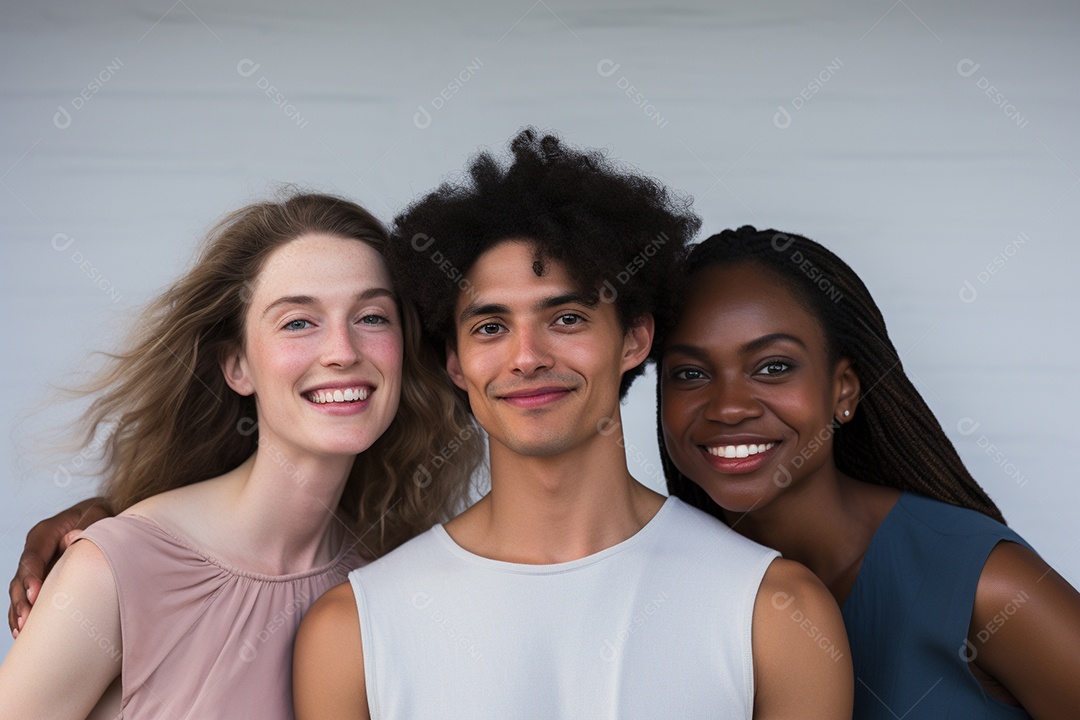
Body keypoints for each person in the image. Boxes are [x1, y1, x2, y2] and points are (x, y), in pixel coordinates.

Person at [293, 131, 853, 719]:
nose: (527, 356)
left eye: (566, 317)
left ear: (634, 338)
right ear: (455, 361)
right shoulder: (351, 630)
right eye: (490, 327)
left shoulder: (778, 611)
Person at [0, 193, 481, 718]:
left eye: (371, 317)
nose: (343, 350)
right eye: (298, 322)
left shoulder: (383, 580)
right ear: (237, 367)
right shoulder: (112, 572)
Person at [656, 225, 1080, 720]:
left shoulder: (985, 587)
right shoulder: (665, 589)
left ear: (844, 389)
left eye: (772, 367)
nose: (728, 408)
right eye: (690, 373)